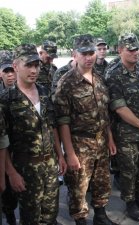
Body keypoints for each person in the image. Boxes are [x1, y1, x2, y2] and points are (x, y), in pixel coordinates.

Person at [54, 34, 117, 225]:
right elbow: (62, 121)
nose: (89, 57)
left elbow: (104, 113)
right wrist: (69, 154)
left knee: (102, 181)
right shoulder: (66, 83)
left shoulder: (99, 78)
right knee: (78, 187)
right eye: (85, 53)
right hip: (79, 143)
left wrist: (110, 139)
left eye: (92, 53)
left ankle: (100, 215)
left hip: (101, 140)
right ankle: (80, 220)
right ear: (75, 55)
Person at [0, 43, 66, 225]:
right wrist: (11, 172)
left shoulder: (44, 93)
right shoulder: (6, 100)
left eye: (36, 65)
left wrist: (60, 155)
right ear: (15, 66)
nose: (34, 70)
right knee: (30, 218)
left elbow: (52, 125)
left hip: (50, 165)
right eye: (28, 65)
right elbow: (2, 141)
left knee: (50, 214)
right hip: (25, 169)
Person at [105, 33, 139, 222]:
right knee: (129, 170)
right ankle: (130, 203)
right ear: (120, 51)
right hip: (126, 133)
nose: (135, 53)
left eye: (137, 49)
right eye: (131, 49)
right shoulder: (113, 75)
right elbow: (120, 108)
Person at [0, 50, 18, 225]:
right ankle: (10, 214)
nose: (10, 75)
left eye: (12, 70)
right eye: (6, 71)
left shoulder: (24, 91)